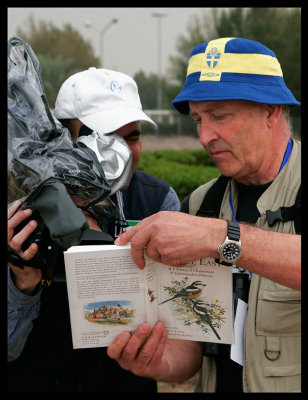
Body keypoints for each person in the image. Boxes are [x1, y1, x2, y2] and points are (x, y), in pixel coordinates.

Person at [107, 37, 301, 393]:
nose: (204, 136)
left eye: (219, 116)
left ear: (271, 111)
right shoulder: (200, 204)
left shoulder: (206, 226)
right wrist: (160, 363)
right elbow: (193, 350)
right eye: (197, 119)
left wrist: (221, 238)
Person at [7, 67, 180, 392]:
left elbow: (177, 331)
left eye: (133, 136)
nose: (124, 152)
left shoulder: (158, 201)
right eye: (104, 137)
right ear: (62, 136)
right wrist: (22, 284)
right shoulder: (19, 210)